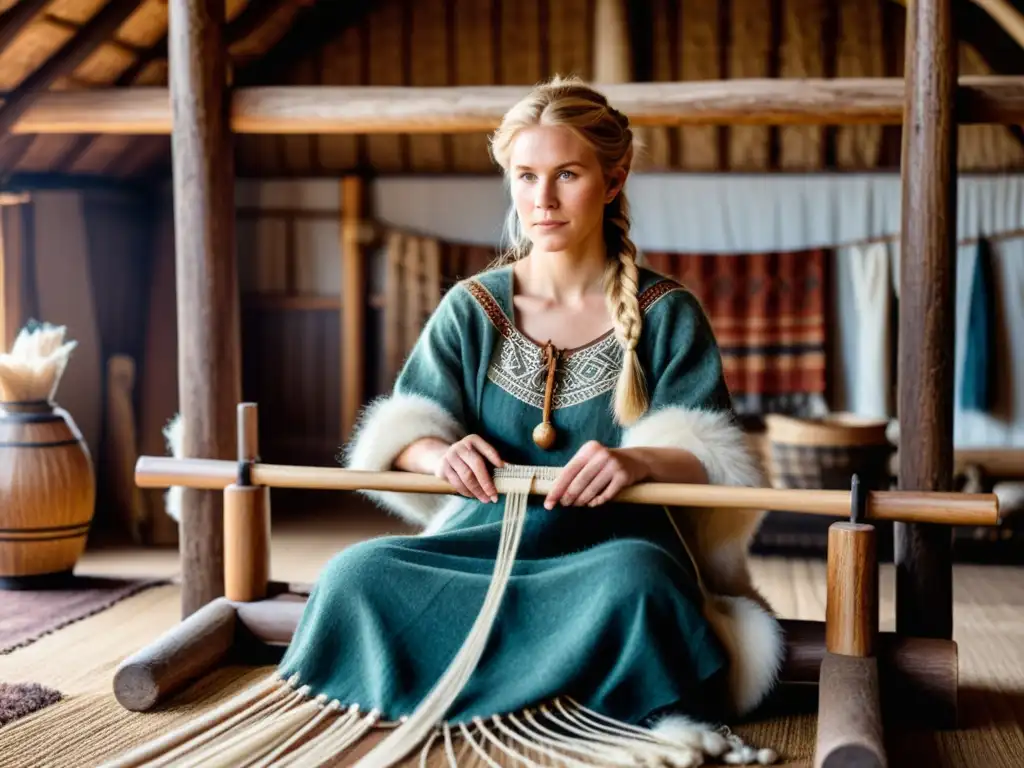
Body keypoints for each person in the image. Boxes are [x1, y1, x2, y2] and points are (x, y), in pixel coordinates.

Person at [272, 76, 784, 765]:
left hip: (606, 555)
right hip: (481, 547)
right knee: (353, 575)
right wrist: (435, 458)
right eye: (525, 176)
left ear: (612, 178)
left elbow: (714, 458)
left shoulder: (667, 313)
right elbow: (404, 432)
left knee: (639, 582)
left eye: (566, 175)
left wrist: (638, 460)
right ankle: (502, 698)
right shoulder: (470, 308)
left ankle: (545, 706)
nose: (541, 200)